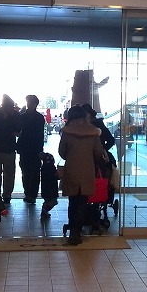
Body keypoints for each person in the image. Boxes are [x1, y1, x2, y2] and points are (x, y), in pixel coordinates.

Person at [58, 105, 107, 245]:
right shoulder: (93, 132)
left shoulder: (67, 132)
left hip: (72, 170)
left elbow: (62, 152)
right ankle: (77, 231)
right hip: (87, 170)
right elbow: (98, 152)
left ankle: (72, 229)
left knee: (72, 202)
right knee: (82, 202)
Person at [17, 94, 48, 204]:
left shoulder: (28, 117)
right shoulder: (36, 117)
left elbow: (39, 135)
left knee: (32, 172)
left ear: (35, 104)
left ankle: (31, 194)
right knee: (27, 172)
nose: (29, 104)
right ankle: (29, 193)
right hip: (30, 148)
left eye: (30, 102)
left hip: (31, 148)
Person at [39, 152, 59, 220]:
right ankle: (45, 210)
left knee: (47, 201)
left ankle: (44, 212)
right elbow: (56, 177)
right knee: (53, 201)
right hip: (52, 190)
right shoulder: (52, 168)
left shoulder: (44, 168)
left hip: (45, 190)